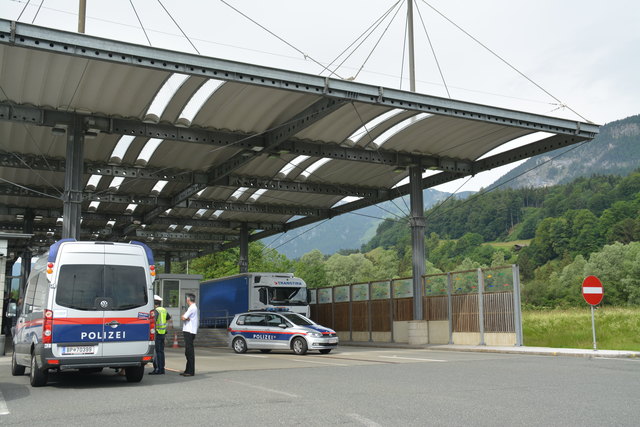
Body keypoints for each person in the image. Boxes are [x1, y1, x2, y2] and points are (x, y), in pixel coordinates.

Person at [149, 295, 171, 375]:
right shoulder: (164, 310)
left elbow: (153, 321)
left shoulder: (156, 311)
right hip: (163, 333)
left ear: (154, 303)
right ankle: (162, 368)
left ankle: (157, 369)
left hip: (157, 333)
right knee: (161, 351)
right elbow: (168, 318)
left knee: (157, 352)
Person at [180, 293, 198, 377]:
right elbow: (185, 317)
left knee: (189, 351)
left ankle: (190, 371)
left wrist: (184, 317)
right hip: (190, 330)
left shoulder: (192, 308)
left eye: (187, 299)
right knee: (188, 351)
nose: (186, 300)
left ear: (188, 300)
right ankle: (187, 370)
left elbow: (183, 317)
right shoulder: (193, 307)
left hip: (189, 331)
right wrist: (186, 317)